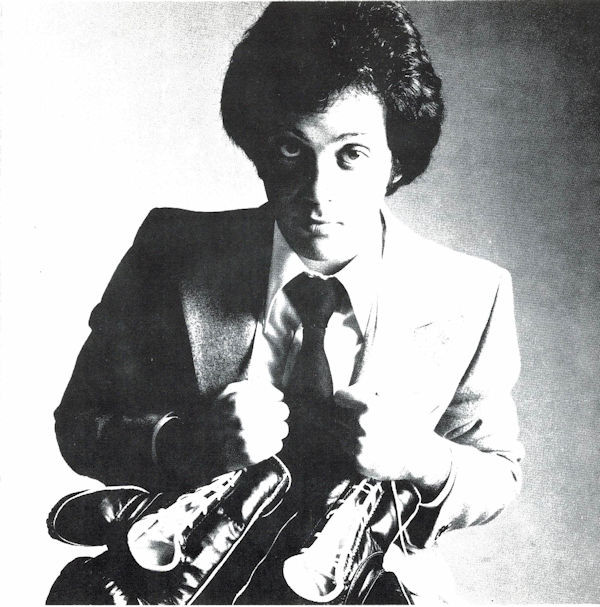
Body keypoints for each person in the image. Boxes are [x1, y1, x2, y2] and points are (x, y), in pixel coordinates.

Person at [53, 2, 522, 602]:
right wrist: (186, 442)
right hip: (177, 582)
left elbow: (497, 471)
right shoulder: (170, 251)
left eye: (351, 154)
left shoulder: (472, 292)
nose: (318, 193)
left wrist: (418, 457)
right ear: (259, 151)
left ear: (396, 162)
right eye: (291, 150)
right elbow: (80, 424)